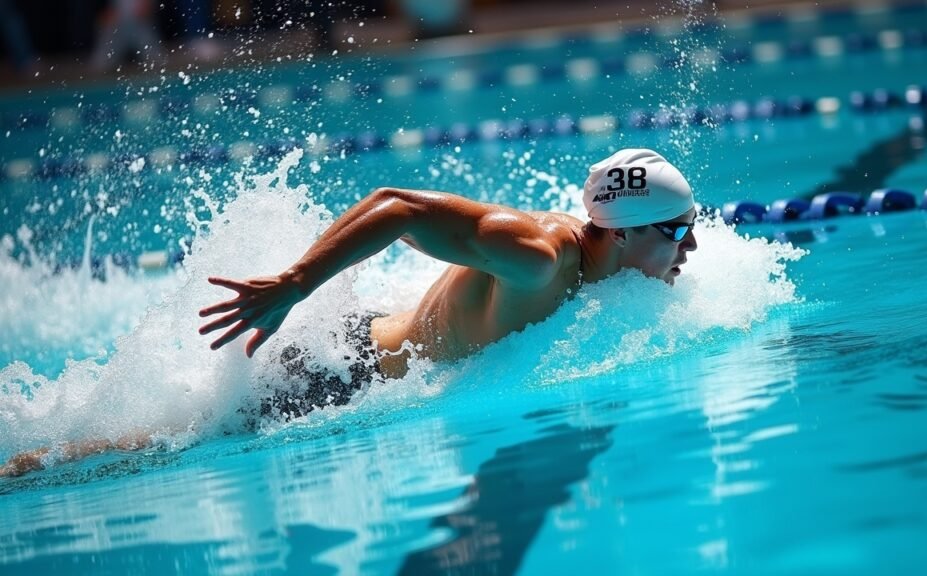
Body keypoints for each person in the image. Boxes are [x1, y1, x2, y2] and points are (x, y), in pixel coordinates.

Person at [0, 148, 698, 477]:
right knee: (150, 452)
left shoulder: (607, 268)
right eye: (677, 230)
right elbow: (396, 205)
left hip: (360, 350)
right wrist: (294, 284)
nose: (691, 246)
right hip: (338, 378)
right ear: (628, 230)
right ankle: (25, 464)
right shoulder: (538, 258)